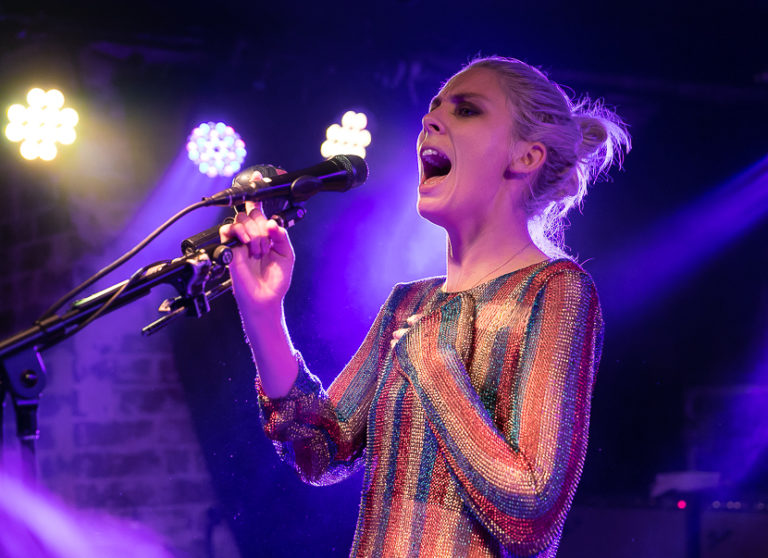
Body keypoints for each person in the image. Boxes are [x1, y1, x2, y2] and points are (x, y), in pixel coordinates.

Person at [220, 55, 630, 557]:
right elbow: (318, 452)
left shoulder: (557, 290)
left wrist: (434, 364)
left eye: (466, 109)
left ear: (526, 157)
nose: (430, 119)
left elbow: (532, 516)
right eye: (434, 107)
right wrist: (263, 314)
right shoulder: (407, 304)